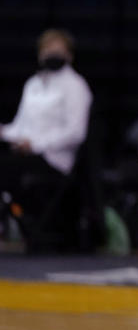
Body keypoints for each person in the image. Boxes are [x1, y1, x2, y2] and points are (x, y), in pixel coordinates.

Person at [0, 29, 93, 211]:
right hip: (26, 155)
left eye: (58, 50)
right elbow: (20, 127)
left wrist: (35, 144)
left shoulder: (76, 85)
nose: (52, 54)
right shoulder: (33, 83)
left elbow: (76, 133)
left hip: (55, 160)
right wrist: (3, 132)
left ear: (69, 55)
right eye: (48, 50)